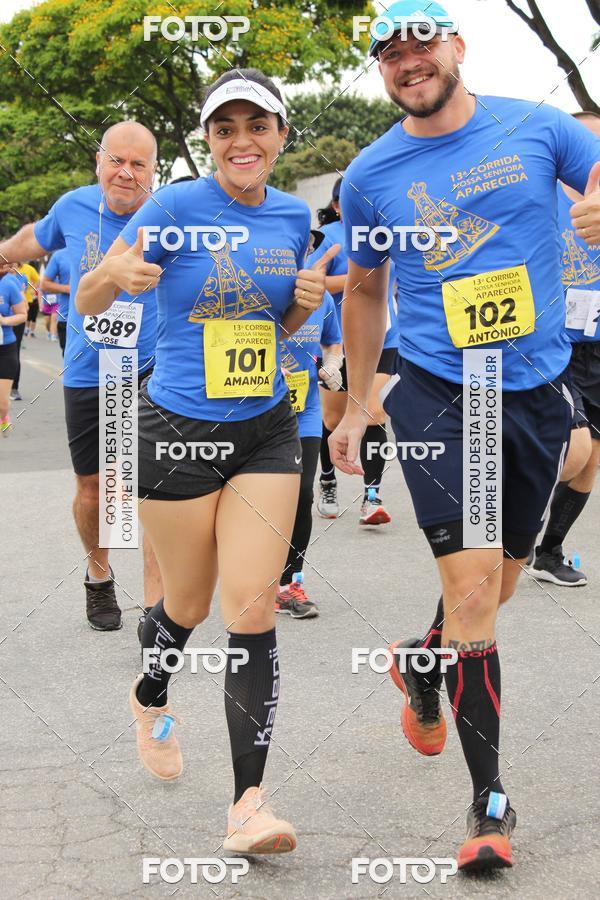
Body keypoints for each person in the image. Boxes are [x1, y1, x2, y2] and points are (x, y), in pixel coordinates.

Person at [329, 0, 600, 872]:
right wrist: (359, 403)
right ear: (383, 69)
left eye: (423, 44)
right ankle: (490, 804)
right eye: (390, 53)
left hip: (537, 389)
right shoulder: (371, 173)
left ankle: (422, 658)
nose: (409, 61)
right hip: (446, 392)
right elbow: (365, 287)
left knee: (498, 584)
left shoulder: (540, 127)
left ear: (457, 47)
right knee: (476, 591)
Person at [75, 68, 335, 854]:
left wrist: (303, 306)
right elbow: (88, 300)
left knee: (251, 609)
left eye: (257, 126)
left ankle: (247, 806)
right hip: (177, 433)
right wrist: (113, 274)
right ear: (209, 141)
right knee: (185, 606)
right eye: (225, 129)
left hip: (266, 431)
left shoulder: (293, 217)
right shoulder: (173, 206)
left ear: (280, 135)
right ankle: (150, 690)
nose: (241, 141)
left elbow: (275, 325)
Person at [0, 121, 163, 631]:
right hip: (90, 372)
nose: (126, 172)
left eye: (138, 164)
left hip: (155, 370)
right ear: (98, 162)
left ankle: (159, 609)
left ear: (153, 171)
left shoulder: (171, 215)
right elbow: (32, 238)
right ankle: (99, 577)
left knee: (155, 490)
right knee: (94, 487)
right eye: (117, 160)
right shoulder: (73, 206)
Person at [530, 111, 600, 586]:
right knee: (574, 449)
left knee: (591, 457)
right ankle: (508, 524)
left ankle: (549, 551)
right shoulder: (539, 195)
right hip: (550, 343)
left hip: (597, 346)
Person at [313, 178, 399, 525]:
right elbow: (313, 281)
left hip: (384, 338)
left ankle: (372, 496)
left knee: (374, 412)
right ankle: (328, 480)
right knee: (333, 420)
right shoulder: (328, 237)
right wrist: (358, 275)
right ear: (337, 206)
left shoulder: (388, 229)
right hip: (336, 341)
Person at [277, 278, 343, 618]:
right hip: (255, 408)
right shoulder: (264, 288)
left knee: (301, 494)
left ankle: (289, 583)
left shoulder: (322, 298)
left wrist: (332, 365)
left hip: (304, 410)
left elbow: (333, 342)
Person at [0, 273, 27, 434]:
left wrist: (4, 321)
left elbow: (23, 315)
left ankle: (4, 416)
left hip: (5, 348)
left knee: (2, 404)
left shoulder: (8, 284)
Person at [41, 248, 71, 356]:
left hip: (98, 319)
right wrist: (68, 289)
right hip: (66, 317)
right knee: (69, 360)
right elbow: (44, 285)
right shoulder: (60, 255)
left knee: (106, 362)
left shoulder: (105, 248)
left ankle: (53, 334)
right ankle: (51, 333)